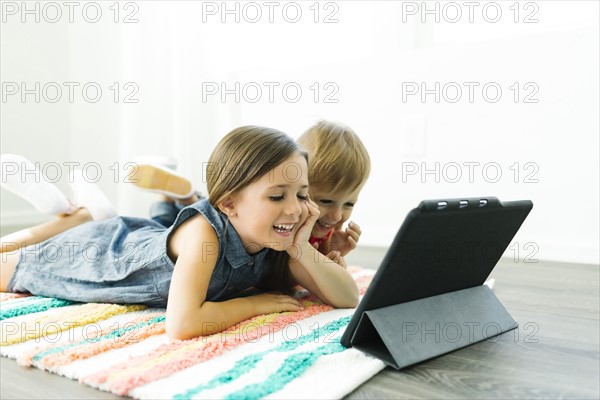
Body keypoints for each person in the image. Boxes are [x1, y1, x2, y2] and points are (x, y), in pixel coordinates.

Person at [0, 126, 359, 340]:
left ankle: (80, 217)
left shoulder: (278, 238)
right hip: (105, 258)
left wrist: (302, 248)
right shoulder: (205, 233)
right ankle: (66, 220)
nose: (296, 209)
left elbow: (347, 298)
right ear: (230, 204)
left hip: (138, 237)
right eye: (278, 196)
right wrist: (253, 304)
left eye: (301, 194)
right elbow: (183, 324)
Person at [131, 120, 371, 267]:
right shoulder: (286, 221)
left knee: (170, 227)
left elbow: (321, 281)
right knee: (171, 232)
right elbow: (289, 276)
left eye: (350, 203)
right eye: (325, 201)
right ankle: (181, 198)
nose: (337, 215)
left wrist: (333, 255)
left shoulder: (317, 228)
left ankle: (179, 197)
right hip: (218, 226)